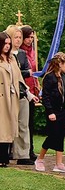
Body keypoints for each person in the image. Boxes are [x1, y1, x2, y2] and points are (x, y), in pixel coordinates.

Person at [35, 52, 65, 172]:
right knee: (52, 136)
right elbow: (45, 96)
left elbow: (64, 96)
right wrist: (50, 111)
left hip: (62, 111)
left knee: (60, 136)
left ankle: (59, 163)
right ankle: (40, 159)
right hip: (53, 112)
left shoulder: (63, 77)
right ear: (60, 64)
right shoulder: (49, 77)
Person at [5, 25, 38, 165]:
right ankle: (6, 152)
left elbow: (25, 72)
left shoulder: (23, 54)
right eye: (15, 37)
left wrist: (29, 93)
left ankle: (23, 154)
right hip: (8, 92)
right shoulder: (6, 55)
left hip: (22, 91)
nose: (18, 40)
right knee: (7, 123)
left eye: (20, 37)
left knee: (23, 124)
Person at [0, 32, 27, 167]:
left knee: (9, 126)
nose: (7, 46)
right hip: (1, 97)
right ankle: (2, 157)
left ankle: (5, 157)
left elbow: (19, 79)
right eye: (4, 43)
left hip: (11, 96)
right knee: (2, 127)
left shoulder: (12, 59)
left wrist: (28, 93)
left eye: (8, 44)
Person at [20, 25, 39, 161]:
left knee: (30, 122)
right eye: (28, 37)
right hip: (22, 88)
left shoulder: (32, 52)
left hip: (32, 89)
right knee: (22, 123)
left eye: (32, 37)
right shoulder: (20, 53)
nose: (30, 40)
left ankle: (30, 149)